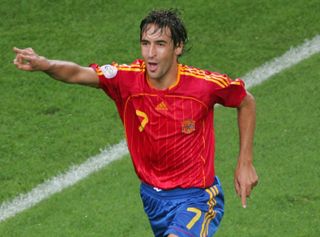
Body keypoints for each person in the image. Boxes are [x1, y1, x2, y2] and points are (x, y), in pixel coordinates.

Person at [13, 9, 258, 237]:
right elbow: (78, 73)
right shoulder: (126, 80)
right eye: (145, 43)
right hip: (152, 198)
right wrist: (45, 64)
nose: (151, 53)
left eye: (160, 44)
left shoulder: (203, 85)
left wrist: (245, 162)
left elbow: (245, 102)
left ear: (178, 47)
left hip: (198, 197)